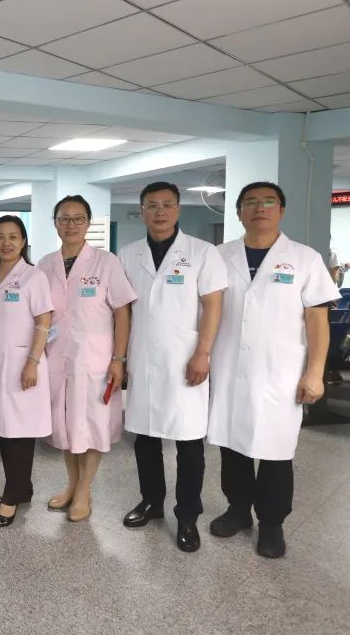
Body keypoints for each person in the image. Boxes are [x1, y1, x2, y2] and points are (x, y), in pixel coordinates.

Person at [207, 182, 339, 559]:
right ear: (239, 212)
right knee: (233, 446)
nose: (259, 208)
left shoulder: (304, 259)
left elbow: (317, 321)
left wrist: (315, 373)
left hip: (280, 372)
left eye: (268, 202)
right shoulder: (219, 256)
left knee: (276, 451)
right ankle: (237, 510)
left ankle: (271, 523)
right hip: (229, 367)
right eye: (250, 203)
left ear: (281, 210)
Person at [118, 181, 227, 553]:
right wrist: (121, 358)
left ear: (178, 209)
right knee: (145, 438)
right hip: (143, 358)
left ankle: (187, 516)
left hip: (185, 359)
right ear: (142, 211)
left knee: (188, 442)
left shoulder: (202, 252)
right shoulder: (128, 254)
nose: (160, 212)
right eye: (152, 205)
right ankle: (151, 502)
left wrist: (203, 353)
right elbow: (123, 312)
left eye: (167, 205)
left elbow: (213, 307)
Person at [40, 196, 136, 522]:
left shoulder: (106, 263)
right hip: (57, 358)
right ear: (55, 223)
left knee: (92, 426)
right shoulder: (45, 264)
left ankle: (84, 491)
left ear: (88, 223)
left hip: (95, 361)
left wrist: (119, 358)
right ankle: (72, 485)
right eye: (64, 218)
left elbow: (122, 312)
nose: (71, 225)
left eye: (78, 218)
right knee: (66, 426)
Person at [0, 215, 53, 527]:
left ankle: (12, 494)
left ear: (23, 242)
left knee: (20, 430)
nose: (6, 243)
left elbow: (44, 321)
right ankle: (22, 487)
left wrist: (32, 361)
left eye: (13, 237)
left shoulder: (34, 277)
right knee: (4, 428)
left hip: (23, 364)